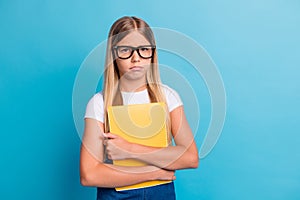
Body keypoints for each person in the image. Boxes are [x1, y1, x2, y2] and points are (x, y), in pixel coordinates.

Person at [80, 16, 199, 200]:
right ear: (114, 54)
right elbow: (89, 175)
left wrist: (129, 149)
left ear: (152, 53)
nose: (136, 58)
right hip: (116, 195)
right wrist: (152, 173)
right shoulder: (99, 103)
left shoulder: (168, 96)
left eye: (143, 49)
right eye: (126, 50)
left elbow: (190, 157)